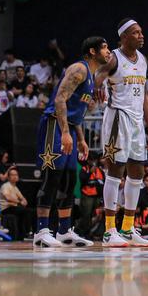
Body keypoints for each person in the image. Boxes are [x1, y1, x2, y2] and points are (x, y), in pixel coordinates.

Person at [33, 37, 110, 248]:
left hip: (69, 128)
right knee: (52, 177)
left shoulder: (91, 76)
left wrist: (81, 138)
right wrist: (65, 132)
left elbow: (76, 112)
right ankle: (41, 231)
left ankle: (64, 231)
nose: (108, 51)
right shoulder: (79, 69)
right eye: (104, 48)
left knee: (68, 179)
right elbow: (60, 99)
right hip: (53, 124)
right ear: (92, 51)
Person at [94, 19, 148, 247]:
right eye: (135, 33)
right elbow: (99, 73)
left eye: (141, 32)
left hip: (137, 121)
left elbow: (144, 96)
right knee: (115, 171)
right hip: (118, 117)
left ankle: (128, 228)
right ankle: (109, 230)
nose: (141, 35)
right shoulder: (114, 57)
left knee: (137, 172)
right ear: (123, 37)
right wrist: (98, 85)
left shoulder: (143, 60)